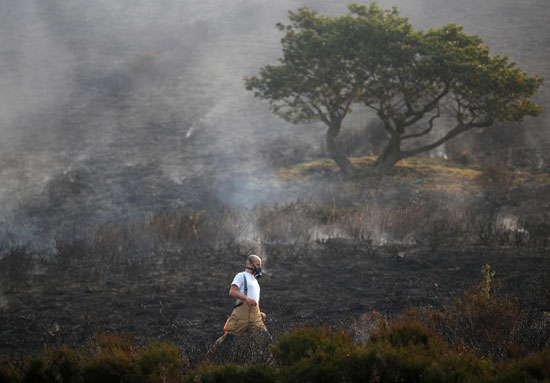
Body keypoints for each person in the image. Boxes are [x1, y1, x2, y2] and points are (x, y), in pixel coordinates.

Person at [214, 254, 267, 346]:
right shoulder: (241, 276)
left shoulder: (255, 280)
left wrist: (258, 312)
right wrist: (247, 298)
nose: (259, 268)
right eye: (258, 265)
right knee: (228, 341)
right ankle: (210, 356)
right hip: (241, 315)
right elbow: (232, 292)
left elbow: (254, 298)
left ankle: (271, 360)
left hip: (255, 316)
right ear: (250, 264)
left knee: (266, 340)